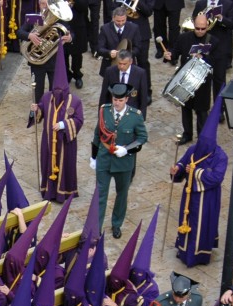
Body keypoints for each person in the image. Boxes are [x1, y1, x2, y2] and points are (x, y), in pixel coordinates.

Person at [172, 96, 228, 267]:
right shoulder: (195, 149)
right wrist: (177, 169)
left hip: (207, 198)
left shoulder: (221, 157)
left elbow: (216, 178)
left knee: (201, 225)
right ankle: (183, 249)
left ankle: (199, 255)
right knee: (186, 222)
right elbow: (184, 161)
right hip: (190, 195)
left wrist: (195, 172)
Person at [89, 82, 146, 239]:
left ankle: (116, 224)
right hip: (104, 158)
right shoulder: (104, 111)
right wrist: (93, 156)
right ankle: (96, 229)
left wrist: (127, 149)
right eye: (115, 99)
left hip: (124, 163)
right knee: (100, 194)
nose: (117, 103)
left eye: (120, 100)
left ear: (126, 99)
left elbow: (142, 138)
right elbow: (97, 134)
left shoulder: (135, 116)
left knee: (122, 195)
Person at [32, 45, 83, 203]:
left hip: (65, 143)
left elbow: (79, 120)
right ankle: (49, 190)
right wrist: (36, 109)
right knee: (47, 164)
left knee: (65, 166)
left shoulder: (74, 101)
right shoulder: (48, 97)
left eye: (62, 89)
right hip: (48, 140)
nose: (58, 92)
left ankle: (64, 192)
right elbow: (41, 111)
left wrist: (63, 125)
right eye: (56, 89)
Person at [162, 13, 219, 145]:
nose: (200, 31)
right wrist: (169, 55)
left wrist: (203, 58)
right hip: (185, 79)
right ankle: (187, 134)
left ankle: (202, 138)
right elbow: (175, 53)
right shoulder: (184, 38)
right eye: (197, 28)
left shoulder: (213, 41)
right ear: (193, 25)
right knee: (186, 108)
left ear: (207, 26)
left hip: (202, 82)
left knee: (202, 111)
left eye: (203, 28)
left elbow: (217, 61)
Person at [18, 0, 72, 105]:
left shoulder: (59, 19)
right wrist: (30, 36)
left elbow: (71, 33)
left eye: (48, 4)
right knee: (38, 90)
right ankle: (38, 111)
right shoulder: (32, 18)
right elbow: (20, 32)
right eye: (43, 4)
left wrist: (69, 38)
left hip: (53, 60)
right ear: (38, 4)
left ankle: (53, 111)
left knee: (56, 88)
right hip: (36, 62)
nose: (46, 7)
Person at [97, 50, 149, 118]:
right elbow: (104, 95)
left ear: (130, 61)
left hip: (132, 113)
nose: (121, 66)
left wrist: (141, 118)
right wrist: (101, 115)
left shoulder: (140, 73)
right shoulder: (109, 71)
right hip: (113, 112)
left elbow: (143, 97)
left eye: (124, 64)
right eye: (119, 63)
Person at [96, 6, 140, 77]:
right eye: (118, 21)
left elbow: (138, 47)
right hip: (110, 66)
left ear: (126, 18)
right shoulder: (105, 29)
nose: (120, 23)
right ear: (113, 18)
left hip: (128, 66)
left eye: (123, 20)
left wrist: (127, 54)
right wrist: (109, 53)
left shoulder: (134, 28)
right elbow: (99, 48)